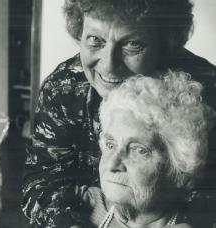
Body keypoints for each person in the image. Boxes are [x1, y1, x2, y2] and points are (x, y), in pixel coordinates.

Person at [21, 0, 216, 227]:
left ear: (164, 43)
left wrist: (193, 221)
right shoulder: (64, 88)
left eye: (132, 44)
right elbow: (42, 181)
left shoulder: (207, 90)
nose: (108, 66)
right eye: (95, 40)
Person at [88, 71, 215, 227]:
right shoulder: (84, 203)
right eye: (110, 145)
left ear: (179, 173)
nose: (112, 164)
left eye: (139, 150)